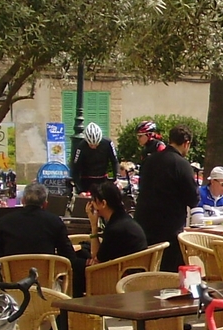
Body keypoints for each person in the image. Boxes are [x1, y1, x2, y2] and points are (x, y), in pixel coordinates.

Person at [134, 125, 198, 271]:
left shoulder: (150, 160)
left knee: (147, 271)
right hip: (169, 230)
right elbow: (193, 199)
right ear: (186, 143)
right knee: (169, 274)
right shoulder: (182, 164)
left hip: (144, 225)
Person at [72, 180, 148, 295]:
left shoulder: (115, 228)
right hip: (131, 269)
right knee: (81, 254)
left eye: (94, 201)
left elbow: (97, 258)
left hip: (119, 275)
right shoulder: (124, 220)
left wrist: (94, 226)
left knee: (74, 264)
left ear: (103, 203)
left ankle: (75, 304)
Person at [0, 182, 74, 262]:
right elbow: (68, 256)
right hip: (45, 272)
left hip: (12, 273)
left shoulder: (4, 221)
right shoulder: (55, 222)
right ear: (45, 204)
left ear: (23, 201)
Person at [71, 122, 119, 198]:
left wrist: (117, 177)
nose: (94, 147)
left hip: (102, 179)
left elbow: (114, 161)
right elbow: (75, 169)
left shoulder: (107, 143)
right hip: (86, 181)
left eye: (96, 144)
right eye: (91, 145)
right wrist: (80, 190)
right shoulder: (81, 146)